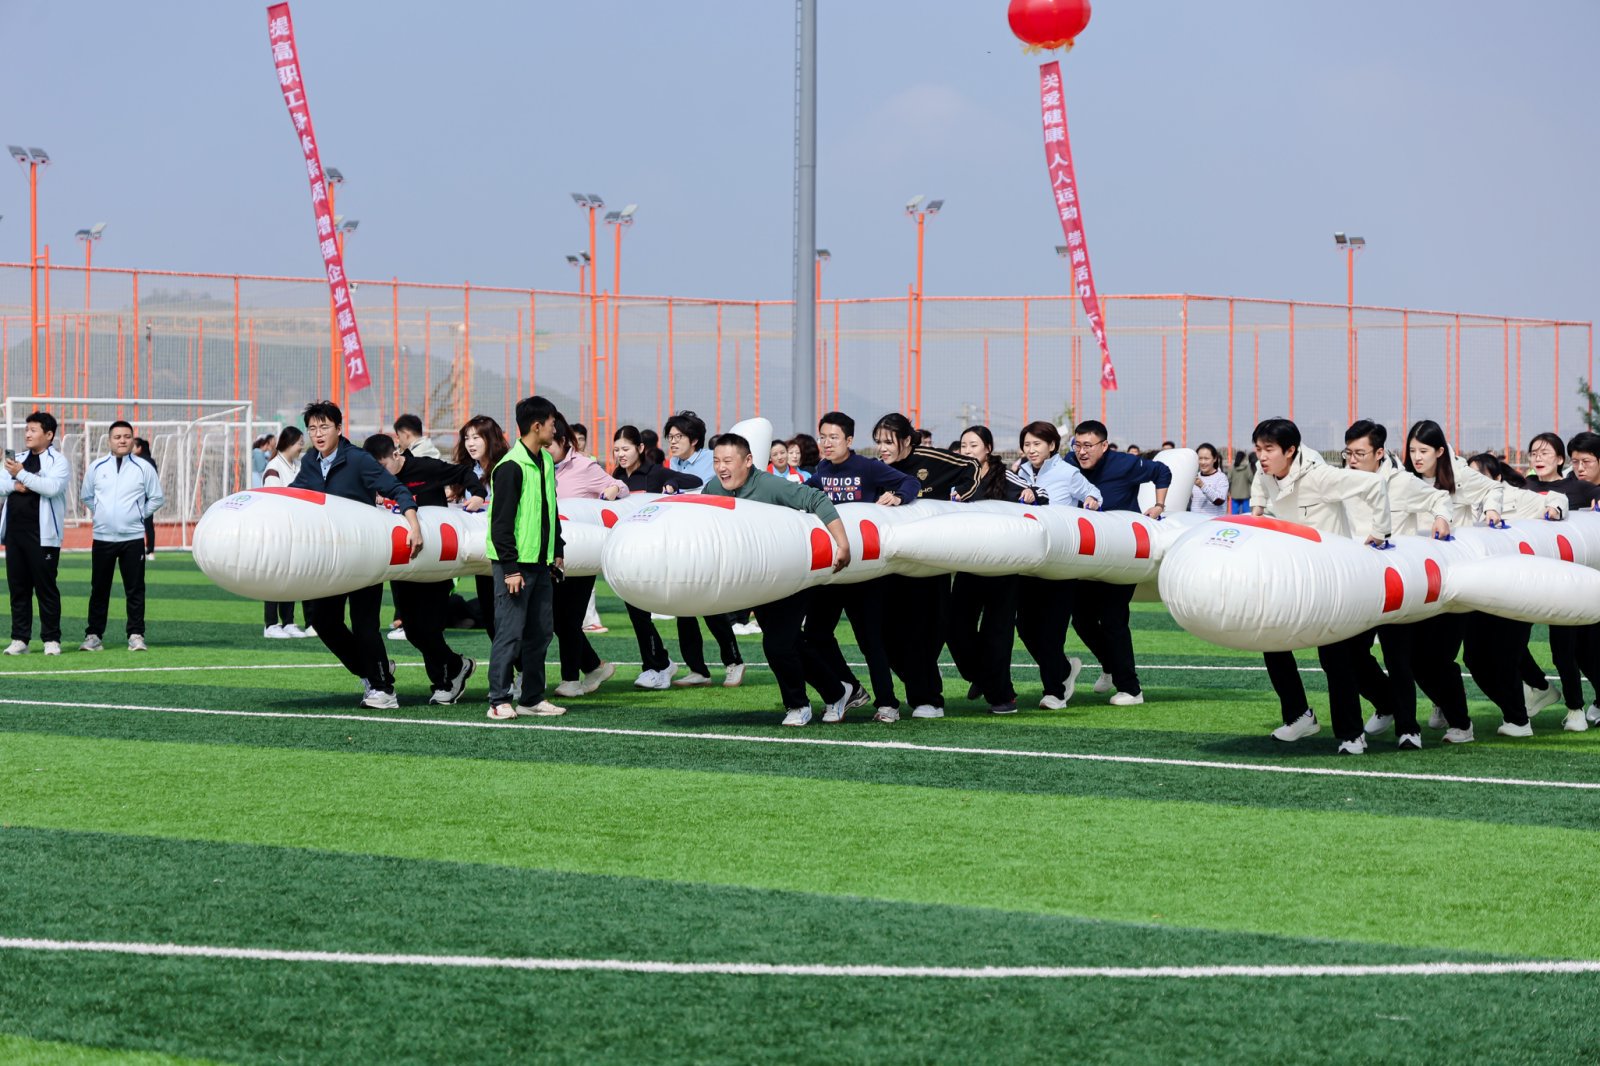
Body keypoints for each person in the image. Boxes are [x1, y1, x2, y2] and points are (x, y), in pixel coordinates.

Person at [1252, 417, 1393, 754]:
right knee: (1272, 639)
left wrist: (1379, 532)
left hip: (1334, 578)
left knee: (1337, 657)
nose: (1262, 457)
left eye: (1268, 449)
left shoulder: (1320, 477)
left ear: (1290, 450)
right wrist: (1257, 510)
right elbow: (1259, 482)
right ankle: (1299, 716)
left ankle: (1352, 734)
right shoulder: (1265, 470)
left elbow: (1375, 486)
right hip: (1296, 574)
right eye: (1258, 449)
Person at [1402, 419, 1549, 739]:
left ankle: (1491, 720)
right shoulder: (1405, 481)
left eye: (1423, 451)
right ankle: (1451, 710)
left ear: (1440, 451)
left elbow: (1494, 489)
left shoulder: (1458, 476)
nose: (1417, 457)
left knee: (1471, 657)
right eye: (1412, 451)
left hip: (1462, 580)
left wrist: (1492, 510)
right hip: (1424, 580)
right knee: (1418, 659)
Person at [702, 432, 853, 726]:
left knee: (777, 645)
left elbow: (815, 498)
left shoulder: (769, 485)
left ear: (748, 461)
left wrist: (842, 544)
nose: (721, 467)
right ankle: (838, 691)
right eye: (716, 461)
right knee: (790, 643)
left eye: (728, 461)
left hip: (793, 576)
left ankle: (798, 705)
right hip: (759, 582)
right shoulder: (714, 487)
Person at [1338, 420, 1464, 750]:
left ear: (1379, 453)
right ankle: (1385, 702)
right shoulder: (1340, 481)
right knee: (1351, 654)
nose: (1352, 460)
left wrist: (1442, 518)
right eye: (1348, 453)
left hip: (1397, 583)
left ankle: (1409, 730)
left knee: (1399, 659)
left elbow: (1440, 499)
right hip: (1358, 583)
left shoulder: (1400, 483)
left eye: (1360, 453)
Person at [289, 401, 423, 709]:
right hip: (330, 558)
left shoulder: (358, 460)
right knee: (323, 620)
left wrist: (413, 526)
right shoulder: (310, 461)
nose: (318, 434)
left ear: (339, 428)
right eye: (312, 428)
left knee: (364, 624)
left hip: (363, 554)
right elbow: (295, 494)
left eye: (324, 427)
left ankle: (384, 690)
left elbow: (397, 490)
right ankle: (373, 670)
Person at [805, 410, 920, 720]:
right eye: (823, 437)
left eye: (834, 437)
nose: (827, 443)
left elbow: (910, 482)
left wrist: (898, 496)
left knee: (870, 640)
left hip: (865, 570)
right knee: (815, 634)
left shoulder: (868, 468)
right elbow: (806, 494)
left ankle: (887, 704)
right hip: (833, 569)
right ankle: (852, 689)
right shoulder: (821, 471)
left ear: (849, 440)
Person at [872, 412, 979, 720]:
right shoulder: (877, 469)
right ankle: (921, 682)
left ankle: (929, 699)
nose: (882, 448)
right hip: (891, 564)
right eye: (878, 442)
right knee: (884, 635)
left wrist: (960, 497)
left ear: (907, 440)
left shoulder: (932, 459)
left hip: (930, 564)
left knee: (923, 633)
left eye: (888, 442)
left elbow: (971, 467)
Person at [364, 433, 484, 705]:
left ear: (396, 454)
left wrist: (477, 493)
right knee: (413, 630)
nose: (379, 475)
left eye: (382, 467)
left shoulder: (425, 467)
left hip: (435, 562)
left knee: (429, 627)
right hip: (402, 564)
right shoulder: (375, 479)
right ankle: (457, 666)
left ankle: (444, 681)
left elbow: (463, 472)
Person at [1064, 419, 1171, 706]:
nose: (1082, 452)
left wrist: (1159, 505)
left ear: (1104, 446)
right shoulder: (1069, 463)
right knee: (1082, 619)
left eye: (1088, 445)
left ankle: (1131, 690)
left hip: (1123, 553)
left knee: (1113, 619)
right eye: (1077, 445)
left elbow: (1162, 471)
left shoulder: (1124, 463)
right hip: (1087, 554)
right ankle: (1110, 666)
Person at [1011, 421, 1103, 710]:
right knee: (1025, 627)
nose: (1031, 449)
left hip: (1061, 563)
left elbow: (1094, 494)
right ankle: (1063, 669)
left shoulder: (1068, 472)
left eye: (1036, 444)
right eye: (1027, 444)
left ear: (1052, 445)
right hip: (1029, 562)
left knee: (1052, 630)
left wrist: (1091, 500)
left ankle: (1054, 691)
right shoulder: (1021, 473)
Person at [485, 396, 566, 719]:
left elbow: (550, 510)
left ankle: (531, 698)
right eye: (552, 424)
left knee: (540, 634)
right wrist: (510, 569)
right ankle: (498, 700)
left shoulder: (545, 460)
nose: (555, 429)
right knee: (509, 634)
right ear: (536, 426)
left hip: (541, 565)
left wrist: (557, 551)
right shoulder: (510, 467)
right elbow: (501, 524)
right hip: (515, 567)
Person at [612, 424, 702, 688]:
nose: (621, 454)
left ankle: (662, 666)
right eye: (616, 450)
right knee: (637, 615)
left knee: (669, 611)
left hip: (656, 554)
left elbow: (694, 481)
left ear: (640, 448)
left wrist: (673, 483)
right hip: (629, 556)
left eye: (626, 449)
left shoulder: (654, 472)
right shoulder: (617, 477)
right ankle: (658, 665)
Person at [948, 426, 1026, 714]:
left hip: (1003, 568)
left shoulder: (1005, 475)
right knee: (955, 629)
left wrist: (1030, 495)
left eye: (974, 445)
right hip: (968, 566)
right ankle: (981, 676)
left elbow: (1038, 494)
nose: (967, 450)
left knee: (997, 634)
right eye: (964, 446)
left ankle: (1003, 696)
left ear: (988, 448)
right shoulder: (957, 477)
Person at [548, 415, 627, 699]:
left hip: (581, 554)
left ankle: (570, 680)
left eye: (549, 444)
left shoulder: (583, 465)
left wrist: (613, 489)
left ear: (563, 441)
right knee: (556, 619)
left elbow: (620, 486)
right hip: (551, 553)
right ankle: (594, 666)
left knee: (569, 619)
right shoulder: (537, 466)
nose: (545, 448)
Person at [664, 409, 744, 688]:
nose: (673, 442)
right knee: (683, 608)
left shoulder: (712, 460)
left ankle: (734, 662)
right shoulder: (673, 462)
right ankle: (698, 670)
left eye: (678, 437)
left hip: (710, 541)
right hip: (682, 541)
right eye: (670, 437)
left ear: (695, 439)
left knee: (711, 606)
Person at [79, 420, 166, 653]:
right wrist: (101, 513)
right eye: (117, 437)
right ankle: (94, 636)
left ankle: (136, 635)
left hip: (132, 538)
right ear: (109, 440)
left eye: (127, 436)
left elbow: (157, 497)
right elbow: (86, 495)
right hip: (103, 538)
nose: (122, 440)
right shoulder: (97, 466)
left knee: (135, 589)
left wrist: (138, 515)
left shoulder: (143, 467)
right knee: (99, 589)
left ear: (133, 439)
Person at [1, 410, 70, 656]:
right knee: (18, 588)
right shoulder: (17, 458)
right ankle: (20, 639)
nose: (27, 434)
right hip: (15, 534)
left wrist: (21, 474)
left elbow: (51, 487)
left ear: (49, 435)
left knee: (46, 588)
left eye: (33, 430)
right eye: (26, 429)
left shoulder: (58, 461)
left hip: (43, 535)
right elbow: (1, 484)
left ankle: (51, 639)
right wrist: (14, 484)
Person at [455, 415, 511, 640]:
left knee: (511, 617)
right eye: (467, 438)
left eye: (476, 437)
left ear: (491, 438)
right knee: (490, 617)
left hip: (507, 552)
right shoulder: (468, 472)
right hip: (482, 552)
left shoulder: (507, 467)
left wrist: (483, 502)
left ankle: (521, 662)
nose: (470, 443)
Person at [261, 426, 312, 638]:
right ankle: (270, 624)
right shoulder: (274, 468)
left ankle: (288, 622)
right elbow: (275, 500)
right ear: (289, 443)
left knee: (291, 576)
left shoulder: (297, 466)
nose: (302, 447)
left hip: (295, 530)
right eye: (300, 443)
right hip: (278, 531)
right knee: (275, 576)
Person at [133, 437, 158, 558]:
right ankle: (150, 551)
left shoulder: (137, 461)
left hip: (138, 496)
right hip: (148, 496)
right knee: (148, 524)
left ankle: (135, 550)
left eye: (133, 446)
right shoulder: (150, 460)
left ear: (139, 448)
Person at [1190, 442, 1230, 516]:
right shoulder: (1195, 476)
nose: (1203, 462)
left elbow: (1219, 501)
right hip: (1195, 521)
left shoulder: (1221, 478)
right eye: (1200, 458)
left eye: (1206, 459)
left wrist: (1202, 486)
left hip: (1213, 522)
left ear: (1215, 459)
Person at [1227, 450, 1254, 515]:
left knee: (1234, 513)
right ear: (1243, 458)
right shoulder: (1247, 467)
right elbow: (1251, 479)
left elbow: (1228, 479)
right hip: (1246, 493)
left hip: (1234, 494)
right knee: (1247, 513)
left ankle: (1234, 521)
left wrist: (1228, 491)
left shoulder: (1232, 467)